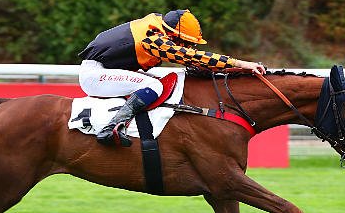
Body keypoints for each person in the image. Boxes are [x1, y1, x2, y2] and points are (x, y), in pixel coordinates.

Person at [78, 9, 266, 147]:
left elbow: (193, 60)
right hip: (95, 75)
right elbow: (193, 58)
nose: (188, 47)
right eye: (186, 42)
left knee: (157, 82)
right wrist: (240, 63)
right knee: (154, 86)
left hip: (106, 70)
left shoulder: (158, 28)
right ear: (172, 34)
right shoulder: (154, 39)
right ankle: (111, 128)